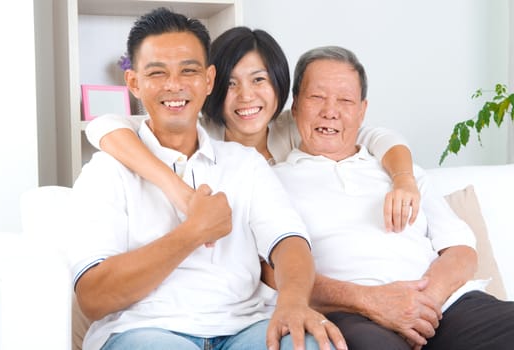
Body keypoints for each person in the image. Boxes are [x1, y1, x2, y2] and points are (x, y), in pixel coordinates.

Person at [68, 8, 346, 350]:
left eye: (189, 70)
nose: (174, 85)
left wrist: (293, 302)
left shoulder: (244, 162)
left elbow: (288, 241)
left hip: (246, 326)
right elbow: (93, 297)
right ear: (134, 83)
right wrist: (193, 231)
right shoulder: (106, 171)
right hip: (146, 330)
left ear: (209, 80)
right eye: (157, 73)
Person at [270, 45, 514, 349]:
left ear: (362, 111)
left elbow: (462, 252)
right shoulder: (273, 182)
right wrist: (374, 302)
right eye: (317, 97)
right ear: (295, 107)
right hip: (353, 315)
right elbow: (274, 273)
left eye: (345, 100)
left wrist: (419, 306)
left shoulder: (401, 172)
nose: (330, 111)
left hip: (445, 307)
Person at [85, 26, 419, 234]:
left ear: (278, 84)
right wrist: (175, 188)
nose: (247, 96)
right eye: (231, 83)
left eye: (259, 80)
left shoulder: (294, 127)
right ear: (212, 85)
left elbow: (378, 137)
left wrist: (405, 180)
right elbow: (104, 126)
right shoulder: (201, 134)